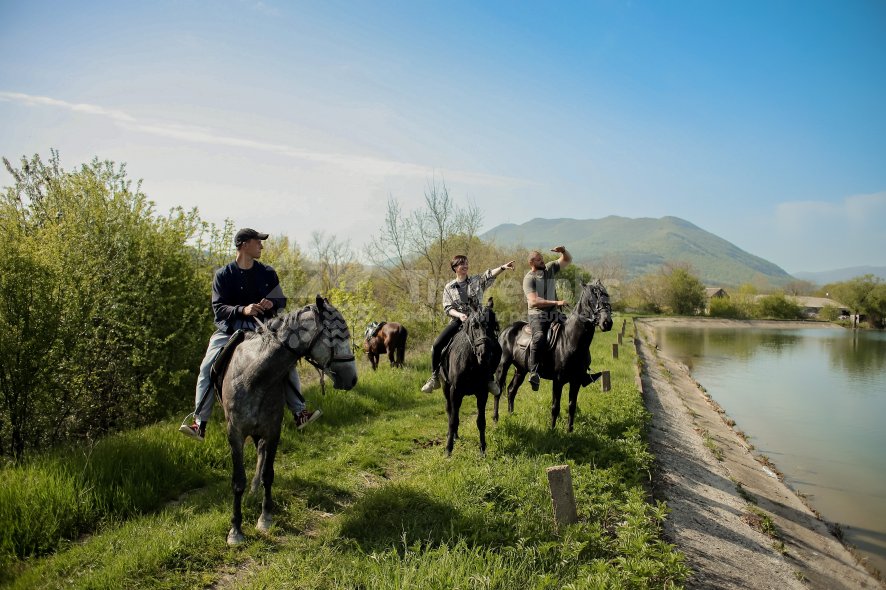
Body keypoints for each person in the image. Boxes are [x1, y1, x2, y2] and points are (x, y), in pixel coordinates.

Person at [179, 228, 320, 441]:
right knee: (207, 368)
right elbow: (218, 308)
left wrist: (273, 302)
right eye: (258, 242)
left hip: (262, 331)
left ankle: (300, 413)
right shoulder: (223, 275)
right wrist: (241, 309)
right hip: (230, 331)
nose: (262, 246)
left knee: (287, 363)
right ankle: (199, 423)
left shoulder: (267, 273)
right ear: (244, 244)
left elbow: (281, 301)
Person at [420, 254, 515, 394]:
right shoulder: (449, 287)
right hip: (459, 320)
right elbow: (447, 308)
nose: (465, 266)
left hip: (477, 320)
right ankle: (434, 378)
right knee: (436, 346)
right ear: (455, 268)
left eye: (466, 263)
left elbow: (488, 275)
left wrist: (502, 268)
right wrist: (460, 315)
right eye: (461, 264)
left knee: (497, 348)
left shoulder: (476, 280)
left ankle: (489, 378)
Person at [523, 246, 571, 391]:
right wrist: (556, 302)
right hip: (537, 315)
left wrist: (563, 251)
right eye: (539, 260)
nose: (542, 261)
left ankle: (582, 369)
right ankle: (534, 372)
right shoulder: (529, 279)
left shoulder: (549, 268)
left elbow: (567, 260)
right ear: (532, 263)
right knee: (539, 337)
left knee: (576, 329)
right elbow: (534, 301)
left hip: (554, 314)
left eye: (542, 258)